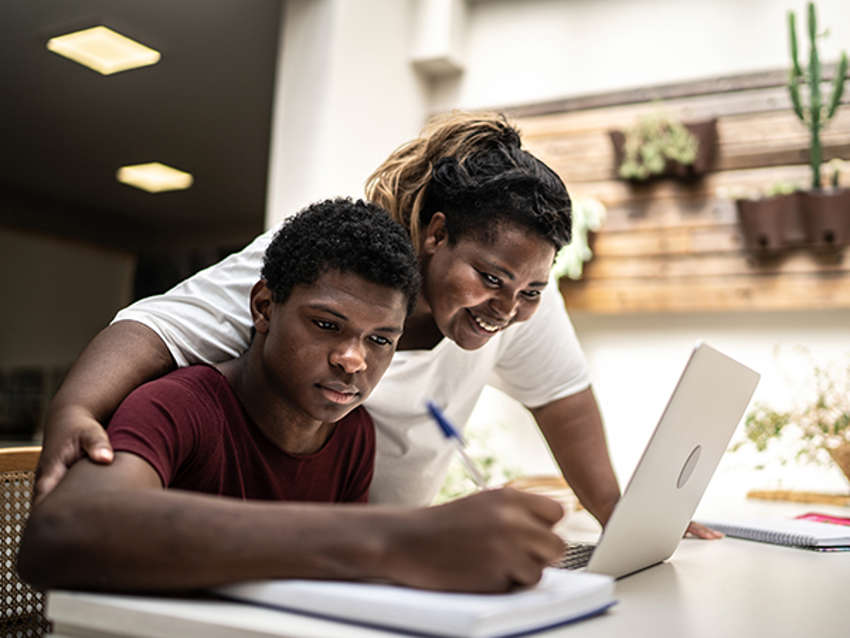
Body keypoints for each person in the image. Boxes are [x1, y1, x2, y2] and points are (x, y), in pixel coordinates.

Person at [34, 111, 717, 539]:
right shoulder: (329, 264)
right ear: (436, 235)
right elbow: (161, 325)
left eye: (531, 290)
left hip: (359, 546)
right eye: (490, 279)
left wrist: (622, 522)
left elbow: (562, 398)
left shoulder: (354, 435)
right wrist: (73, 406)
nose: (508, 309)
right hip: (335, 546)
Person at [18, 198, 566, 593]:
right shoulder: (177, 406)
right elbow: (60, 533)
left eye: (380, 340)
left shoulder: (352, 435)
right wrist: (391, 539)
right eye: (327, 325)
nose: (353, 359)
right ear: (263, 308)